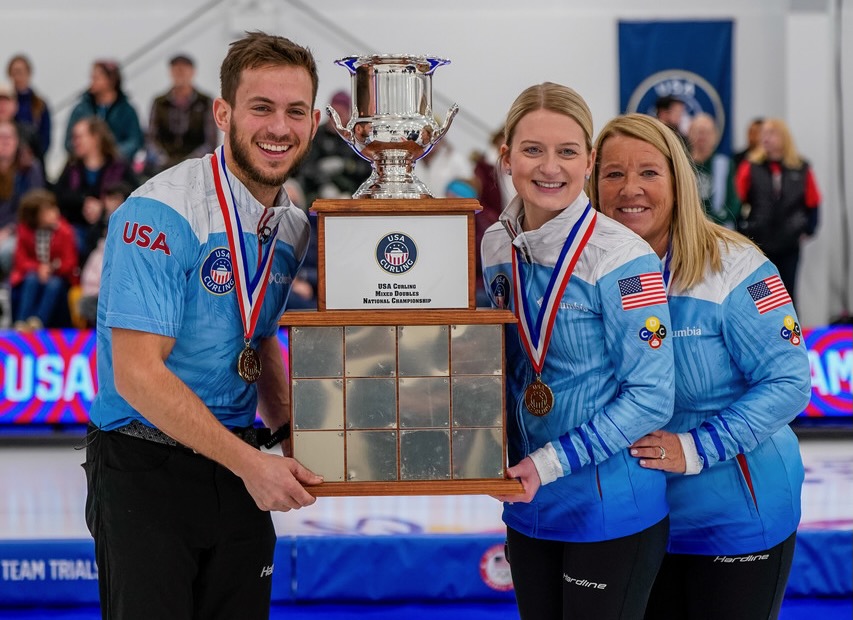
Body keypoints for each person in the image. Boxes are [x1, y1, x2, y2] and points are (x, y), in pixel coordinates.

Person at [83, 31, 324, 620]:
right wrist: (253, 465)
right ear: (223, 113)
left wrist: (293, 431)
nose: (279, 127)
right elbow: (137, 374)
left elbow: (259, 336)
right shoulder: (161, 210)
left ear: (315, 123)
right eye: (261, 107)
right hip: (145, 466)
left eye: (295, 111)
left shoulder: (292, 225)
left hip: (237, 459)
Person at [589, 112, 811, 619]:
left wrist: (695, 448)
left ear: (679, 181)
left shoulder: (735, 265)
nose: (630, 189)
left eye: (649, 172)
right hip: (633, 519)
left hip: (733, 515)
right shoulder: (585, 274)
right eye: (613, 173)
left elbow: (790, 380)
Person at [481, 82, 674, 619]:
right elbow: (507, 365)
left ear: (588, 161)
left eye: (567, 151)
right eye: (533, 150)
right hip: (527, 503)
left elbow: (652, 396)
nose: (550, 167)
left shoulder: (622, 256)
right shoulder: (496, 243)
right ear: (507, 157)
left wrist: (547, 463)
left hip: (608, 507)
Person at [734, 117, 820, 307]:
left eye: (771, 133)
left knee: (788, 292)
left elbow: (813, 201)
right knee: (762, 295)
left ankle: (790, 326)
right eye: (763, 134)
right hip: (759, 242)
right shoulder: (750, 166)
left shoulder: (801, 167)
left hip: (789, 243)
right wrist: (743, 229)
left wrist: (808, 229)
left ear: (784, 137)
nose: (766, 138)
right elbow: (737, 200)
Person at [54, 116, 138, 265]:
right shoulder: (72, 167)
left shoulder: (119, 167)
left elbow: (134, 196)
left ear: (95, 138)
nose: (74, 142)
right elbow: (58, 196)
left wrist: (103, 207)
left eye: (79, 137)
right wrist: (84, 202)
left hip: (111, 229)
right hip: (77, 228)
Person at [9, 188, 77, 330]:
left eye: (54, 208)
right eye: (47, 211)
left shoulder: (65, 231)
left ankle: (38, 322)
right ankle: (21, 321)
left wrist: (53, 268)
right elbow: (20, 259)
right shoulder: (24, 230)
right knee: (31, 279)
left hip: (58, 275)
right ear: (34, 216)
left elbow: (70, 262)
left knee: (54, 284)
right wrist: (38, 267)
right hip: (33, 273)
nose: (54, 213)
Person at [145, 53, 217, 177]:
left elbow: (210, 141)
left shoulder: (205, 102)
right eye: (176, 69)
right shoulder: (160, 102)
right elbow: (151, 138)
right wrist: (162, 159)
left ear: (193, 72)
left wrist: (190, 162)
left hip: (197, 167)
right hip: (163, 166)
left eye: (184, 69)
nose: (180, 73)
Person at [295, 89, 372, 206]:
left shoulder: (357, 138)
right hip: (319, 191)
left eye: (340, 115)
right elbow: (305, 166)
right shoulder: (317, 135)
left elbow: (366, 168)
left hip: (351, 192)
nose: (335, 120)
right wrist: (323, 182)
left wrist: (346, 165)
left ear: (348, 115)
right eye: (332, 115)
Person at [64, 59, 144, 163]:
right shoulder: (81, 110)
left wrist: (111, 154)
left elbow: (135, 141)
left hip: (118, 166)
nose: (92, 81)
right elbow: (68, 141)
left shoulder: (127, 111)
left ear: (111, 80)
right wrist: (87, 151)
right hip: (84, 167)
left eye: (97, 78)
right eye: (92, 77)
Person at [77, 181, 132, 327]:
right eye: (108, 198)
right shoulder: (98, 226)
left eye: (115, 198)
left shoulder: (131, 225)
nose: (110, 203)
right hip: (96, 283)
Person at [0, 120, 45, 279]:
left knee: (6, 251)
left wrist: (9, 230)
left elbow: (34, 207)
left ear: (17, 141)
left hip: (22, 231)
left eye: (9, 137)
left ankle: (9, 287)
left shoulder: (30, 168)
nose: (5, 142)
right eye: (1, 137)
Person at [687, 113, 740, 229]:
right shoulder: (682, 162)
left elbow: (734, 202)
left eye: (707, 132)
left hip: (717, 227)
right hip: (688, 226)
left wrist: (714, 220)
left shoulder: (725, 164)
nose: (702, 136)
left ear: (715, 136)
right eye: (698, 131)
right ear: (689, 133)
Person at [7, 55, 52, 166]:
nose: (17, 76)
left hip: (34, 161)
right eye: (13, 72)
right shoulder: (5, 104)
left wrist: (34, 156)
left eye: (20, 72)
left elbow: (46, 137)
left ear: (29, 73)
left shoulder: (40, 105)